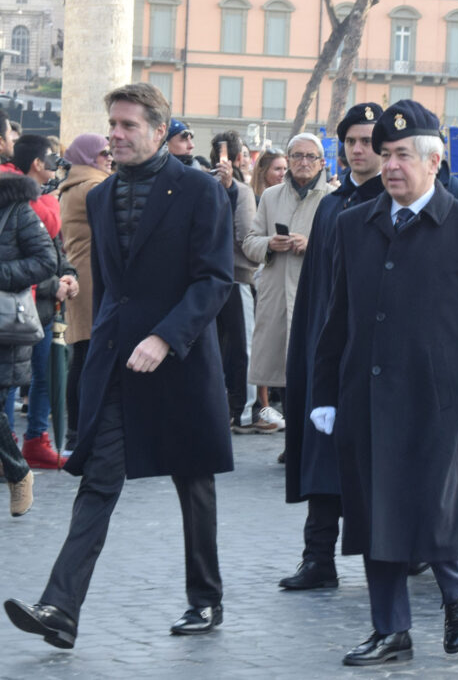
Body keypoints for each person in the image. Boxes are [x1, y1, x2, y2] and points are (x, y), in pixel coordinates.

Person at [4, 82, 234, 647]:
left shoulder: (201, 191)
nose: (117, 134)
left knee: (193, 483)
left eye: (129, 125)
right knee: (98, 484)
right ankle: (60, 609)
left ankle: (205, 601)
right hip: (116, 362)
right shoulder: (100, 197)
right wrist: (95, 343)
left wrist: (165, 337)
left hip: (179, 359)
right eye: (113, 125)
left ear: (160, 131)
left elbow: (215, 279)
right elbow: (108, 286)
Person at [310, 100, 458, 666]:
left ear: (433, 161)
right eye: (386, 154)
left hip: (437, 397)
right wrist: (324, 391)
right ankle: (391, 629)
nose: (391, 165)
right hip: (366, 395)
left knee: (432, 509)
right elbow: (337, 316)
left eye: (402, 155)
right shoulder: (355, 224)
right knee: (376, 513)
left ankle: (457, 588)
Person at [282, 103, 384, 591]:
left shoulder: (396, 201)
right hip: (329, 349)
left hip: (375, 355)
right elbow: (316, 286)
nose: (359, 150)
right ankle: (317, 556)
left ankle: (393, 554)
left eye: (368, 141)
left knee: (376, 461)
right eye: (351, 142)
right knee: (323, 454)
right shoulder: (330, 204)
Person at [243, 134, 330, 433]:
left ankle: (309, 441)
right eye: (297, 156)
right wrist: (271, 244)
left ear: (321, 162)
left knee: (313, 372)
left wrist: (312, 245)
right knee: (284, 375)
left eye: (310, 157)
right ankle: (292, 442)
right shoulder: (270, 196)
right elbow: (250, 244)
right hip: (277, 295)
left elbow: (343, 251)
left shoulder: (333, 198)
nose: (303, 162)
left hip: (314, 295)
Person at [11, 135, 79, 468]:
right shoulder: (21, 205)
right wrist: (57, 283)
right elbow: (22, 258)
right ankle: (10, 445)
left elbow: (54, 251)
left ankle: (35, 439)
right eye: (51, 158)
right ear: (37, 164)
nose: (55, 164)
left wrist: (68, 276)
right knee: (13, 377)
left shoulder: (45, 203)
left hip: (41, 304)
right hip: (21, 304)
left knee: (42, 374)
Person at [0, 170, 57, 515]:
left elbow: (46, 261)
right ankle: (18, 470)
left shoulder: (16, 210)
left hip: (4, 326)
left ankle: (19, 473)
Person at [58, 134, 113, 458]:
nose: (109, 157)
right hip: (91, 279)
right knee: (86, 356)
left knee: (83, 353)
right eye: (103, 152)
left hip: (85, 275)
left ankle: (77, 432)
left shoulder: (76, 183)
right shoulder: (93, 186)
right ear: (89, 156)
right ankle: (79, 433)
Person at [210, 132, 260, 435]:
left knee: (220, 348)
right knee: (243, 348)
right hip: (237, 277)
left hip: (208, 279)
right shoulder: (241, 191)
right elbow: (246, 238)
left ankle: (227, 409)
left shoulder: (203, 184)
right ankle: (241, 412)